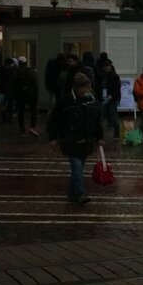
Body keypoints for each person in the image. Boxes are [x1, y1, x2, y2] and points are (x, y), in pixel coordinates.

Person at [46, 72, 103, 205]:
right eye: (86, 87)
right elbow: (54, 120)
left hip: (86, 141)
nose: (88, 90)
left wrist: (99, 137)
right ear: (77, 88)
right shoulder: (65, 103)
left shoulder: (93, 103)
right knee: (77, 167)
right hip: (70, 141)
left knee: (78, 169)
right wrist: (53, 137)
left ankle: (72, 193)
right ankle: (81, 193)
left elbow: (97, 122)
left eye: (89, 87)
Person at [14, 56, 39, 136]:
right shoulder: (31, 71)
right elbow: (35, 83)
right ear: (26, 63)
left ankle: (22, 130)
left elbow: (13, 84)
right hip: (30, 94)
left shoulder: (16, 72)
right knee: (33, 111)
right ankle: (32, 127)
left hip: (20, 95)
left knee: (21, 113)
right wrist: (36, 94)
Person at [100, 60, 122, 139]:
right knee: (101, 117)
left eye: (107, 67)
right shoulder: (103, 76)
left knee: (113, 117)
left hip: (112, 99)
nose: (106, 68)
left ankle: (117, 133)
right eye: (105, 67)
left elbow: (117, 88)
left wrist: (112, 96)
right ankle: (100, 135)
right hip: (104, 98)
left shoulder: (115, 76)